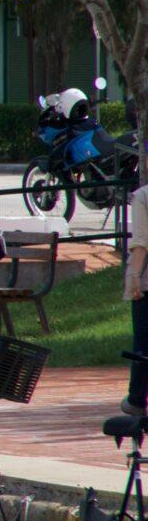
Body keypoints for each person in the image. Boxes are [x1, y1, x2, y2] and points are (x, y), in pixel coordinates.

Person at [122, 179, 148, 420]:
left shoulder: (143, 197)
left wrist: (135, 277)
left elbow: (141, 243)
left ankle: (137, 399)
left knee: (143, 343)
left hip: (147, 281)